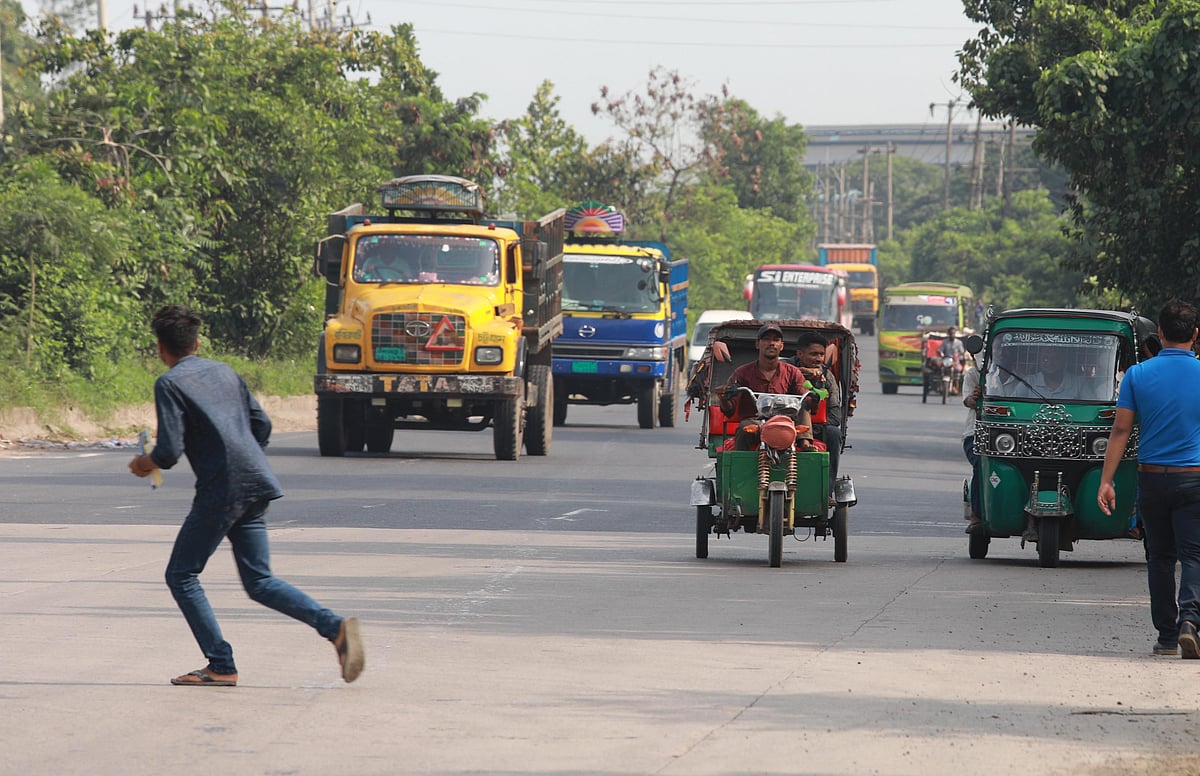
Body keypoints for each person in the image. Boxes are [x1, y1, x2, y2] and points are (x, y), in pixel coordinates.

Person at [129, 305, 365, 686]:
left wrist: (144, 463)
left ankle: (220, 664)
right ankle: (334, 627)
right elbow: (262, 424)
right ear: (198, 342)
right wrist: (245, 456)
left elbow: (168, 453)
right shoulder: (224, 371)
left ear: (160, 349)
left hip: (222, 490)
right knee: (259, 581)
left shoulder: (169, 384)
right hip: (256, 481)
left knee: (181, 575)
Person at [1098, 299, 1200, 659]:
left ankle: (1168, 636)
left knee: (1158, 556)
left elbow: (1121, 429)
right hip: (1194, 479)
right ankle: (1191, 619)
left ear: (1160, 333)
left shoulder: (1139, 375)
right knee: (1193, 555)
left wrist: (1106, 481)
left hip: (1152, 479)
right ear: (1196, 335)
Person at [715, 323, 816, 452]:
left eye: (776, 340)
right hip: (756, 423)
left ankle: (805, 444)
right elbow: (729, 410)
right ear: (758, 344)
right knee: (744, 429)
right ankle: (741, 469)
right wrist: (723, 398)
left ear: (781, 346)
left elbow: (805, 398)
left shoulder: (793, 372)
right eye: (767, 339)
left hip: (786, 422)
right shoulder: (741, 373)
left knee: (804, 404)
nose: (772, 343)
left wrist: (813, 397)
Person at [792, 331, 842, 499]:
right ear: (800, 354)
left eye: (821, 354)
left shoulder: (827, 376)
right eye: (813, 354)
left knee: (834, 433)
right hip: (784, 423)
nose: (819, 359)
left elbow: (835, 416)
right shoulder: (784, 368)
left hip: (817, 428)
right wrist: (800, 373)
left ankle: (826, 493)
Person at [1012, 346, 1092, 400]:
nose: (1050, 363)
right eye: (1045, 359)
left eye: (1056, 358)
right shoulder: (1028, 383)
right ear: (1039, 361)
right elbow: (1012, 405)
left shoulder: (1079, 384)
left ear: (1064, 361)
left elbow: (1091, 409)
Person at [962, 356, 983, 533]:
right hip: (975, 433)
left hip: (1008, 435)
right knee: (981, 463)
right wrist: (975, 399)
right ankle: (977, 514)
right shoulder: (974, 374)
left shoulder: (1020, 375)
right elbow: (968, 401)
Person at [938, 326, 966, 395]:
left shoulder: (959, 343)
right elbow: (940, 350)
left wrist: (960, 356)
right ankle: (940, 386)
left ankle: (956, 387)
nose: (952, 335)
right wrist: (940, 353)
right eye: (950, 333)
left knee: (958, 370)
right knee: (941, 369)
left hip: (955, 361)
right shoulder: (944, 342)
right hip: (946, 360)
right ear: (948, 334)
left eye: (953, 333)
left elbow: (962, 352)